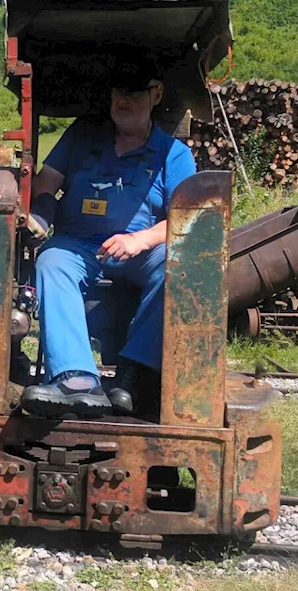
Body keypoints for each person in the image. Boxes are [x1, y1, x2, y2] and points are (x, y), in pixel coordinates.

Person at [22, 62, 198, 419]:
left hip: (140, 251)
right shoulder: (82, 136)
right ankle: (77, 381)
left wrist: (140, 240)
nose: (124, 101)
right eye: (119, 93)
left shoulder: (174, 154)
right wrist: (41, 212)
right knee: (51, 261)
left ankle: (132, 377)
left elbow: (187, 219)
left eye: (134, 93)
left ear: (156, 95)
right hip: (80, 245)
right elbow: (46, 181)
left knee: (174, 263)